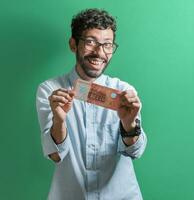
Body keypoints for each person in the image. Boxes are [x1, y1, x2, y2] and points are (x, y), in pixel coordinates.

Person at [36, 8, 147, 200]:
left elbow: (135, 151)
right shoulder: (51, 90)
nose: (99, 52)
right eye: (90, 42)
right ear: (73, 44)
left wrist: (129, 125)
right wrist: (59, 121)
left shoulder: (124, 91)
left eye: (107, 45)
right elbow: (55, 156)